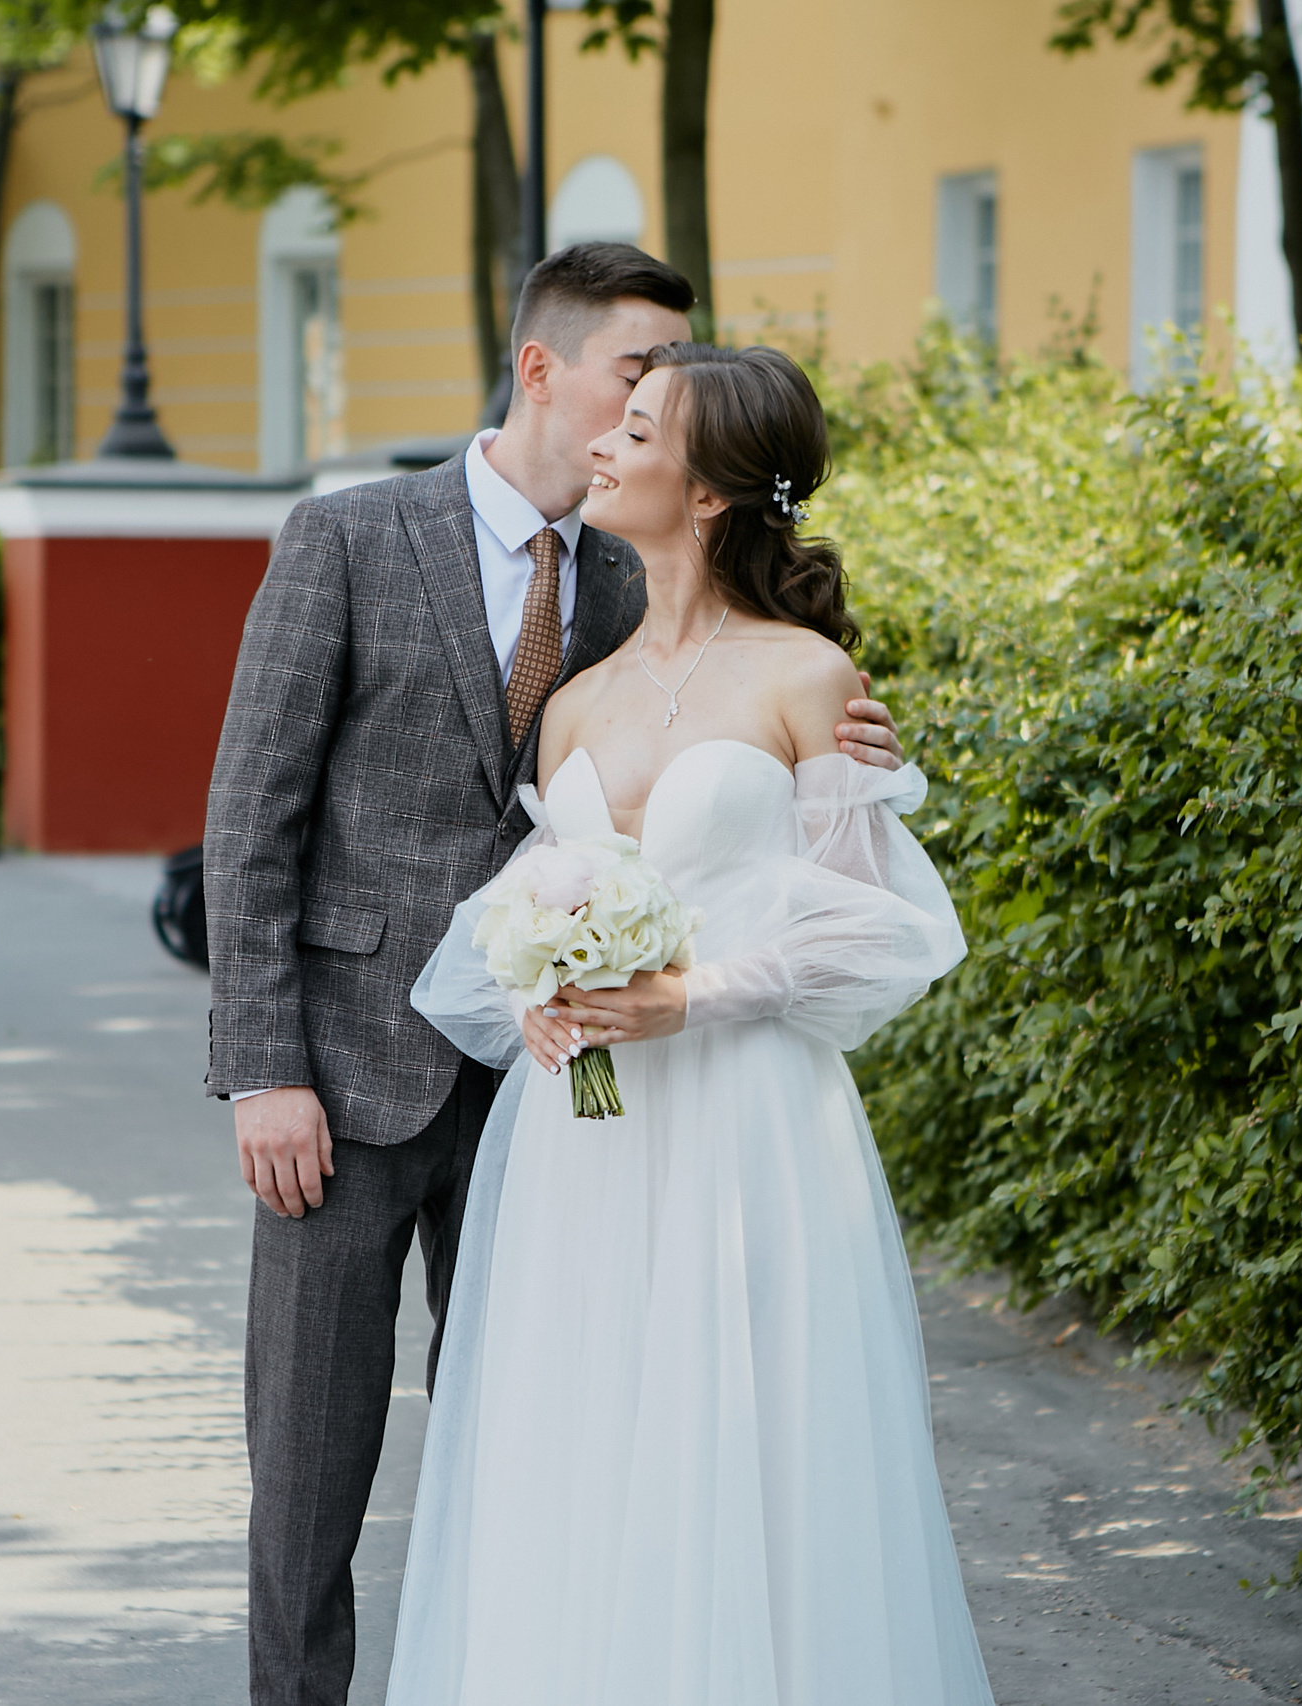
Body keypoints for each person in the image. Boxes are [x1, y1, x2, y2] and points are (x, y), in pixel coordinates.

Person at [203, 248, 906, 1706]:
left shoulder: (624, 578)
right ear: (546, 367)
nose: (645, 405)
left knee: (544, 1455)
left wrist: (859, 758)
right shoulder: (347, 537)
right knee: (311, 1474)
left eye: (667, 389)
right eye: (637, 374)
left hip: (579, 1112)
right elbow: (250, 817)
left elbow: (714, 771)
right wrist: (263, 1064)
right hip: (342, 1076)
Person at [387, 342, 995, 1704]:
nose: (602, 442)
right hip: (586, 1144)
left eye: (639, 429)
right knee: (587, 1437)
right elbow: (522, 904)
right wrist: (539, 996)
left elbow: (876, 927)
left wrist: (691, 995)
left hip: (749, 1122)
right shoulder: (573, 703)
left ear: (711, 490)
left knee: (755, 1444)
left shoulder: (810, 679)